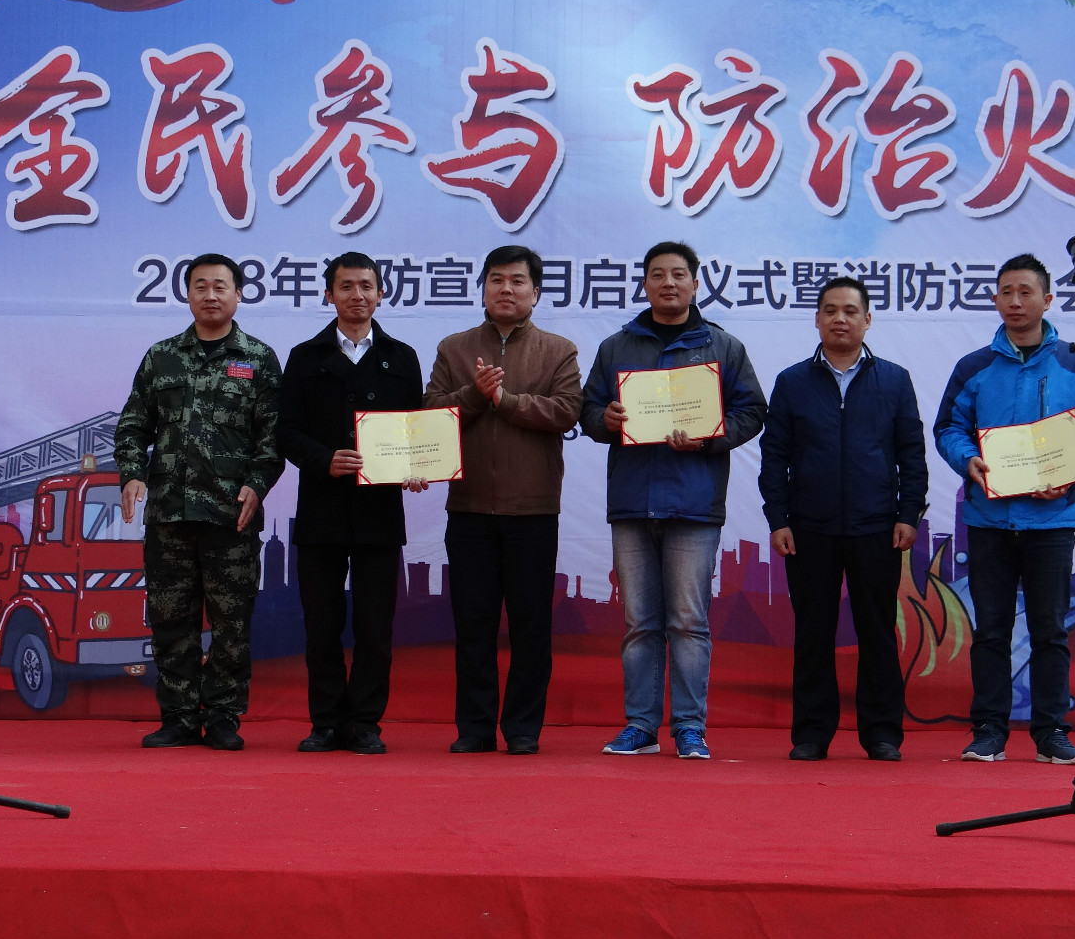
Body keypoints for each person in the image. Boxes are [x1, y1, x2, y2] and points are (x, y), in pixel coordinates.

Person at [581, 240, 766, 760]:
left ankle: (689, 726)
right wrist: (605, 420)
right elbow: (588, 411)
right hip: (632, 502)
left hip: (694, 503)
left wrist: (709, 436)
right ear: (644, 283)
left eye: (678, 274)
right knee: (639, 622)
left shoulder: (723, 347)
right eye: (658, 274)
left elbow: (753, 411)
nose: (668, 283)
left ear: (695, 283)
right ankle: (640, 726)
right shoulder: (616, 346)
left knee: (688, 621)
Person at [934, 253, 1075, 765]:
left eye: (1025, 292)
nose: (1015, 301)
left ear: (1048, 299)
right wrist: (966, 459)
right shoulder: (974, 367)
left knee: (1050, 630)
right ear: (995, 299)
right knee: (990, 629)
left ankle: (1051, 731)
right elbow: (948, 428)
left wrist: (1072, 472)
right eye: (1006, 292)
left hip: (1052, 520)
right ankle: (989, 730)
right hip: (989, 519)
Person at [116, 253, 283, 751]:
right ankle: (179, 717)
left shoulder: (259, 358)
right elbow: (132, 425)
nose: (210, 295)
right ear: (187, 294)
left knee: (231, 622)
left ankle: (224, 717)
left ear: (239, 294)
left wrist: (258, 482)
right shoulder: (161, 357)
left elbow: (273, 437)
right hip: (169, 513)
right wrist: (131, 473)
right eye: (200, 286)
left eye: (220, 286)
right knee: (171, 619)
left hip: (232, 515)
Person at [759, 277, 928, 762]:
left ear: (867, 320)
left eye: (850, 311)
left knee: (877, 630)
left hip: (877, 526)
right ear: (817, 319)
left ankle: (882, 733)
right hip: (808, 527)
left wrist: (908, 514)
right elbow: (775, 457)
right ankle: (812, 733)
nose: (840, 319)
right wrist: (778, 518)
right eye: (830, 310)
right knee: (813, 631)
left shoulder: (893, 380)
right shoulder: (792, 381)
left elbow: (911, 455)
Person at [424, 246, 582, 755]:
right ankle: (474, 728)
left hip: (533, 510)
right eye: (496, 280)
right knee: (473, 623)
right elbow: (432, 414)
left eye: (517, 281)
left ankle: (522, 729)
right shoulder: (454, 348)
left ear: (536, 292)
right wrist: (475, 394)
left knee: (531, 624)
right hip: (468, 508)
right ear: (483, 289)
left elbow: (566, 411)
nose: (506, 289)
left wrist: (505, 400)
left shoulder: (559, 350)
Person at [277, 251, 424, 755]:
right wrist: (324, 459)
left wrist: (416, 465)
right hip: (321, 509)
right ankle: (324, 722)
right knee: (321, 625)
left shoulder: (402, 358)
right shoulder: (304, 356)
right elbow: (286, 431)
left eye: (366, 286)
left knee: (375, 627)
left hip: (379, 512)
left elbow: (417, 429)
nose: (356, 295)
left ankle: (364, 723)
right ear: (329, 294)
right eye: (346, 286)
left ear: (381, 293)